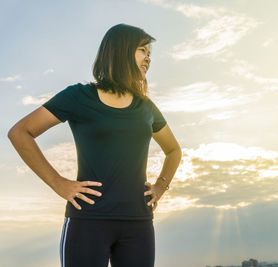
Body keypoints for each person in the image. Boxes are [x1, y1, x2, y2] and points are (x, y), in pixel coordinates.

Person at [7, 23, 182, 267]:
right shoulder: (78, 97)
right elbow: (20, 132)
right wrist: (59, 184)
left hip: (138, 223)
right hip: (88, 220)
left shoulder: (146, 108)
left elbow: (173, 151)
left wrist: (161, 187)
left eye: (150, 53)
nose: (148, 58)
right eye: (143, 50)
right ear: (121, 50)